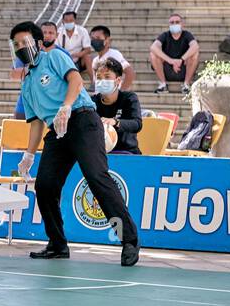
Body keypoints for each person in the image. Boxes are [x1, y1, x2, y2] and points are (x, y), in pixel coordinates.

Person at [11, 21, 139, 266]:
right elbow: (36, 122)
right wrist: (28, 155)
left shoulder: (54, 57)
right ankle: (57, 244)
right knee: (45, 186)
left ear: (38, 43)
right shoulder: (26, 83)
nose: (20, 47)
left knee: (96, 177)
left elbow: (75, 81)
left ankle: (129, 240)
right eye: (16, 44)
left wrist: (66, 107)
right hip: (57, 130)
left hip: (81, 119)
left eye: (24, 42)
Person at [93, 58, 144, 154]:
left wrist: (115, 122)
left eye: (107, 77)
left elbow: (137, 124)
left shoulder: (129, 98)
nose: (102, 81)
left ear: (118, 80)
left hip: (127, 152)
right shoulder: (92, 102)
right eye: (99, 77)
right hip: (99, 154)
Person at [149, 13, 199, 93]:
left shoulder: (187, 35)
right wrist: (171, 61)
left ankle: (186, 85)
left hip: (183, 69)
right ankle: (163, 84)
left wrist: (181, 59)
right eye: (172, 22)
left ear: (182, 24)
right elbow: (153, 47)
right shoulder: (165, 35)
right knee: (153, 54)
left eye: (177, 22)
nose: (174, 24)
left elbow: (195, 46)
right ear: (169, 25)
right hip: (167, 69)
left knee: (194, 54)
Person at [86, 26, 134, 90]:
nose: (94, 41)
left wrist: (121, 94)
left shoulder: (113, 55)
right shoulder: (95, 60)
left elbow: (130, 72)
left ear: (107, 40)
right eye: (92, 38)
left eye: (98, 38)